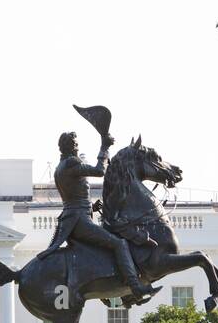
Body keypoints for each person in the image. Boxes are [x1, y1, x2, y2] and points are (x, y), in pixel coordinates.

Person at [37, 130, 159, 303]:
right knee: (119, 243)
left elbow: (73, 198)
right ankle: (135, 288)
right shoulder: (71, 163)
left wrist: (91, 208)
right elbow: (99, 171)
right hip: (78, 221)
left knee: (104, 246)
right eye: (76, 143)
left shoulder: (60, 167)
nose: (78, 147)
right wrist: (105, 146)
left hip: (75, 218)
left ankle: (109, 290)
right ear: (71, 146)